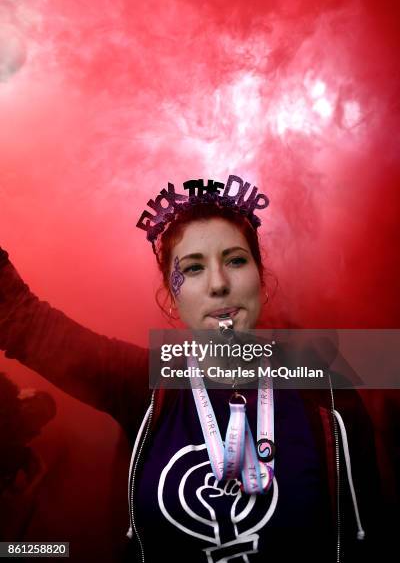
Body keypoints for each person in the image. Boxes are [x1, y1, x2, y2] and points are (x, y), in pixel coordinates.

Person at [0, 174, 385, 562]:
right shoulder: (146, 384)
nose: (219, 284)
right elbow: (18, 318)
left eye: (235, 260)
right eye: (194, 269)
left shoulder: (326, 398)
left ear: (261, 279)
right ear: (170, 296)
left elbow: (370, 540)